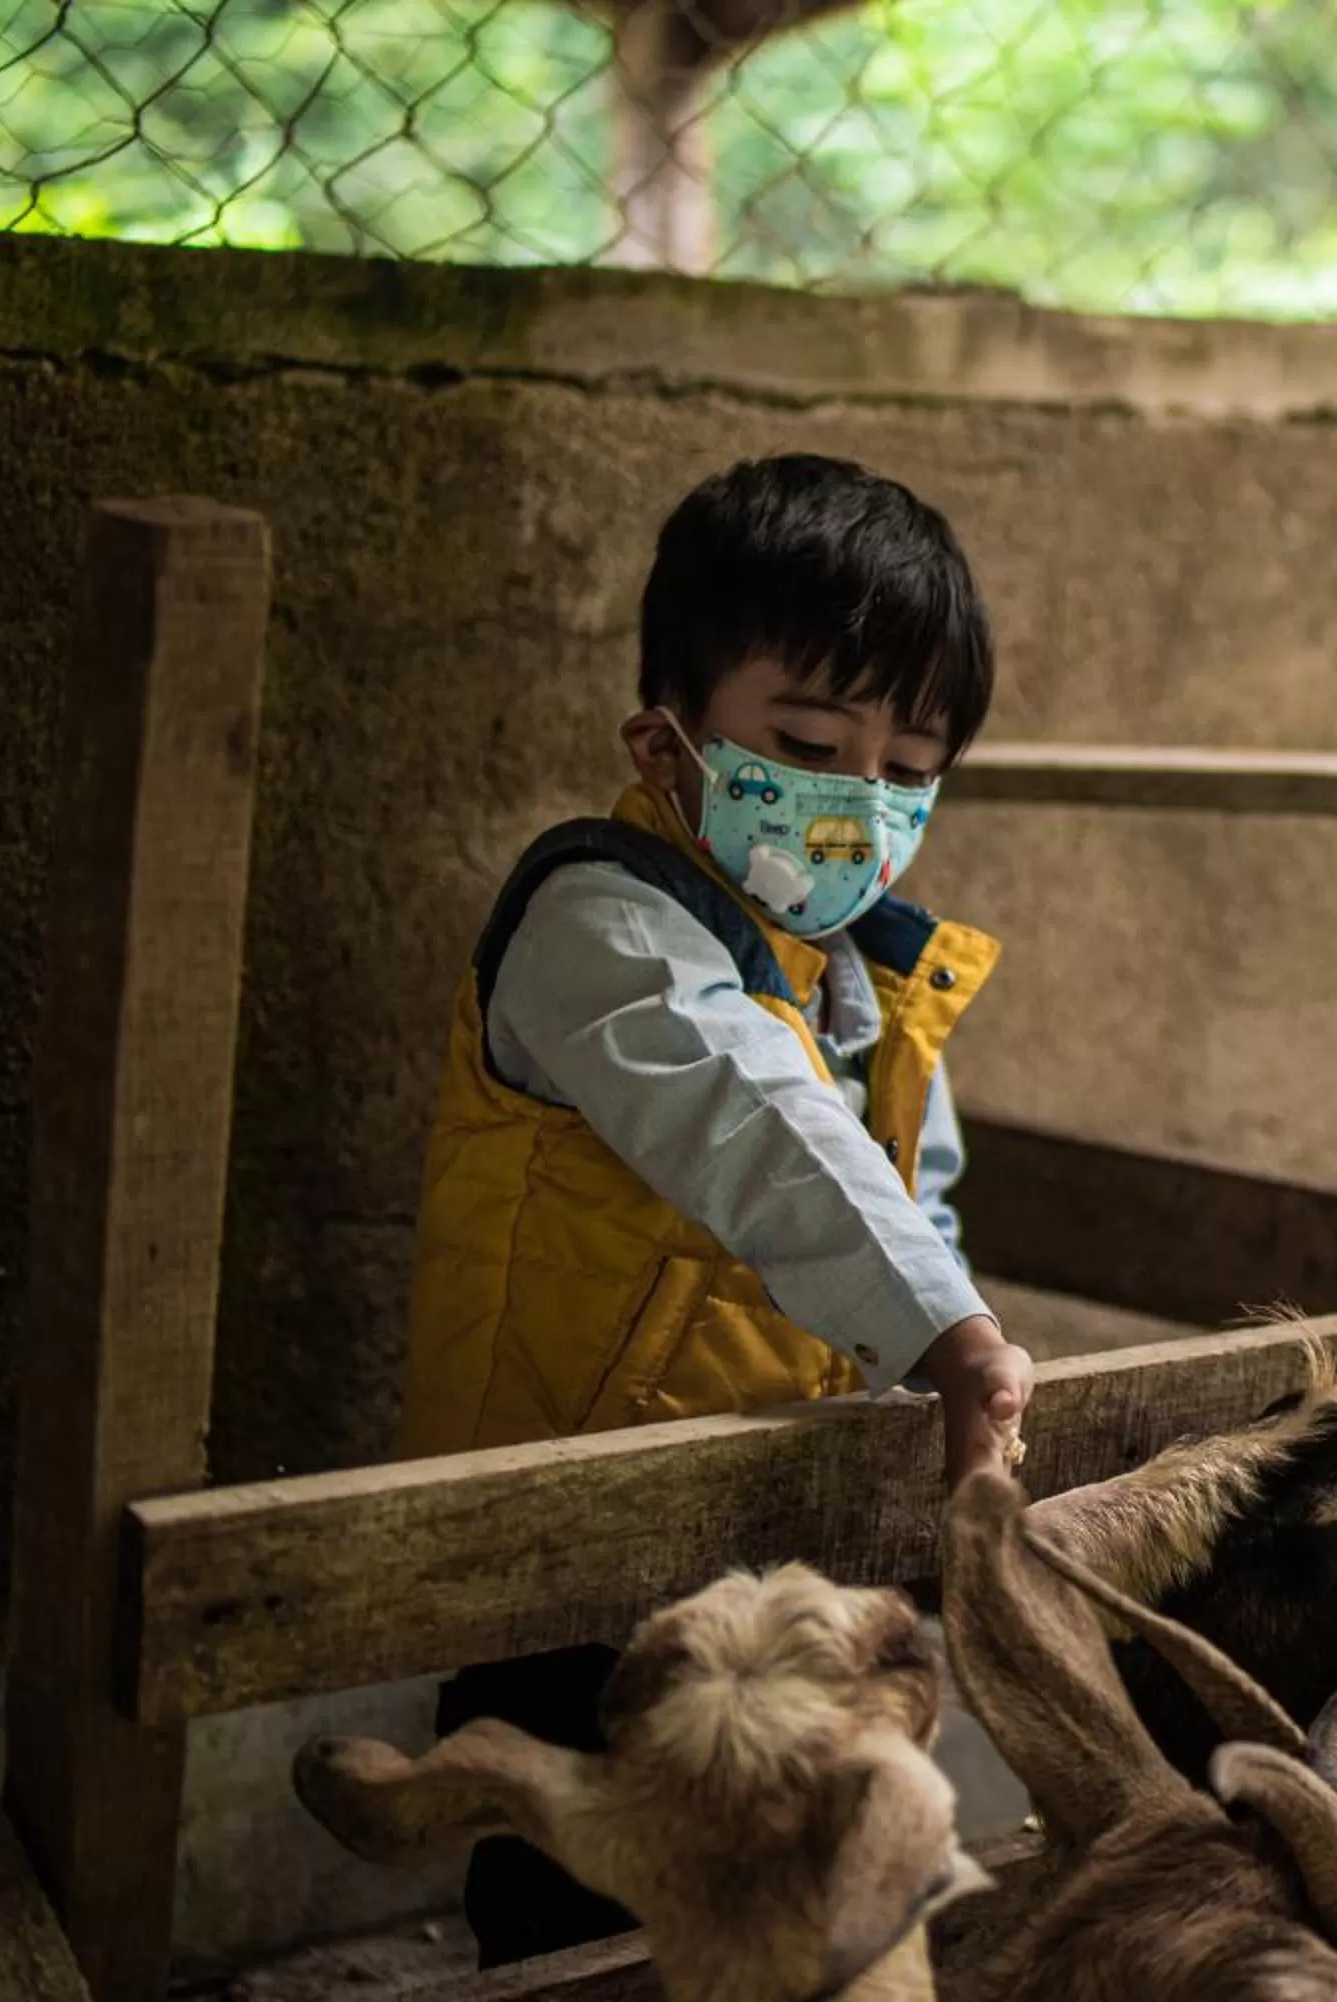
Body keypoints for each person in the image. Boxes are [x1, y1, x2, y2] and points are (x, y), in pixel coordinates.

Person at [392, 453, 1035, 1966]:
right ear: (666, 738)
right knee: (575, 1918)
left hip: (777, 1563)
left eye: (904, 764)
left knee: (786, 1908)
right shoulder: (597, 923)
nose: (857, 799)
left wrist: (943, 1371)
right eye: (810, 741)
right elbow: (759, 1121)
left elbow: (908, 1197)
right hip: (563, 1557)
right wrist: (950, 1336)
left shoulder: (868, 985)